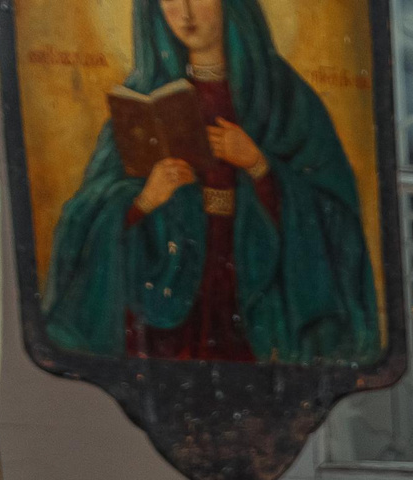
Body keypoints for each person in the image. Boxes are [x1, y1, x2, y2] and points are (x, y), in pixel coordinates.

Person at [42, 0, 380, 363]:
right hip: (170, 296)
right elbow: (85, 216)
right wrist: (144, 201)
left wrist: (259, 165)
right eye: (171, 0)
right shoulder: (141, 99)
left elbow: (336, 214)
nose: (185, 13)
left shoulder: (282, 98)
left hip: (253, 287)